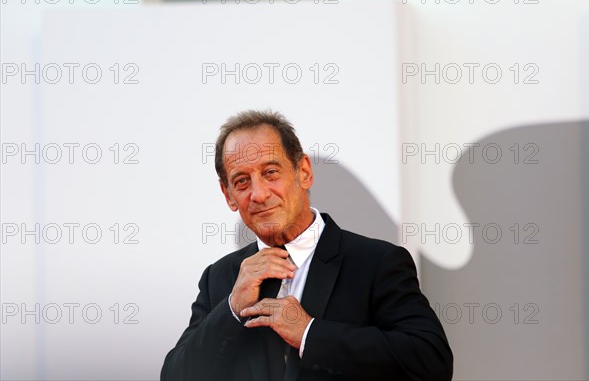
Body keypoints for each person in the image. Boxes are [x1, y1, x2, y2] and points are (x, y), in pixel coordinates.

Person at [161, 110, 453, 380]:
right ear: (228, 196)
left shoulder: (376, 262)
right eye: (241, 181)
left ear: (303, 172)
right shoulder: (221, 278)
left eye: (270, 172)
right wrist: (232, 309)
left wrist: (310, 334)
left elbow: (431, 361)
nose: (259, 194)